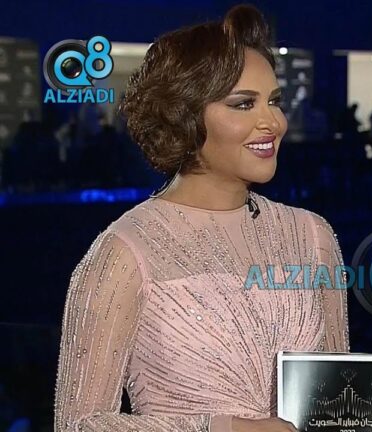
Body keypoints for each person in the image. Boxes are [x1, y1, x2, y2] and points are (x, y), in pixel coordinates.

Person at [54, 5, 349, 432]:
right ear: (185, 116)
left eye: (274, 102)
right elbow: (78, 425)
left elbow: (342, 405)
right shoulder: (123, 253)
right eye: (244, 104)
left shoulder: (312, 236)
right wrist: (221, 428)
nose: (273, 122)